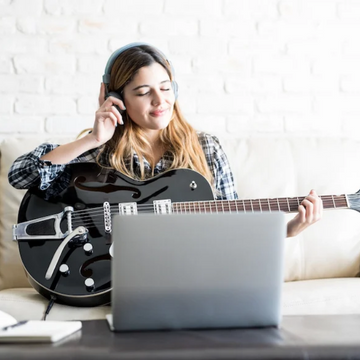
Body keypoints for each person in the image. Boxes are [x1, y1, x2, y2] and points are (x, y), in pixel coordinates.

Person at [8, 42, 322, 237]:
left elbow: (232, 226)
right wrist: (91, 138)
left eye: (166, 87)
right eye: (144, 92)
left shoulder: (206, 148)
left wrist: (289, 230)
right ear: (116, 98)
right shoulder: (100, 151)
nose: (160, 101)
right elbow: (21, 174)